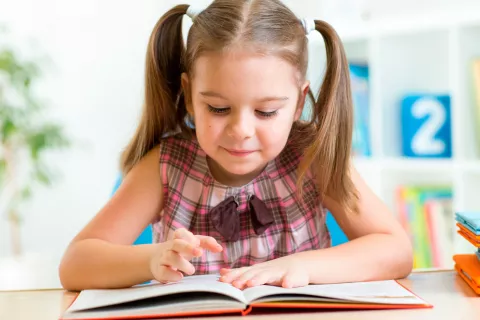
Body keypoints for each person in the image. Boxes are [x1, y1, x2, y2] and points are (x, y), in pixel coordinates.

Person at [59, 0, 413, 291]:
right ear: (188, 94)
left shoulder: (314, 157)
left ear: (298, 101)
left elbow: (396, 250)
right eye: (218, 108)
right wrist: (152, 259)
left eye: (266, 111)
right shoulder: (165, 167)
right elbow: (76, 263)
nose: (241, 130)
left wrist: (300, 266)